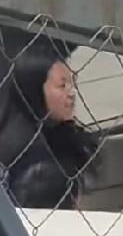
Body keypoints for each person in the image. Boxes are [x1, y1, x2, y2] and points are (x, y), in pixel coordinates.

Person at [0, 41, 98, 208]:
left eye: (72, 83)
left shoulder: (52, 132)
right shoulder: (37, 164)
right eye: (62, 86)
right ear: (36, 90)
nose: (72, 93)